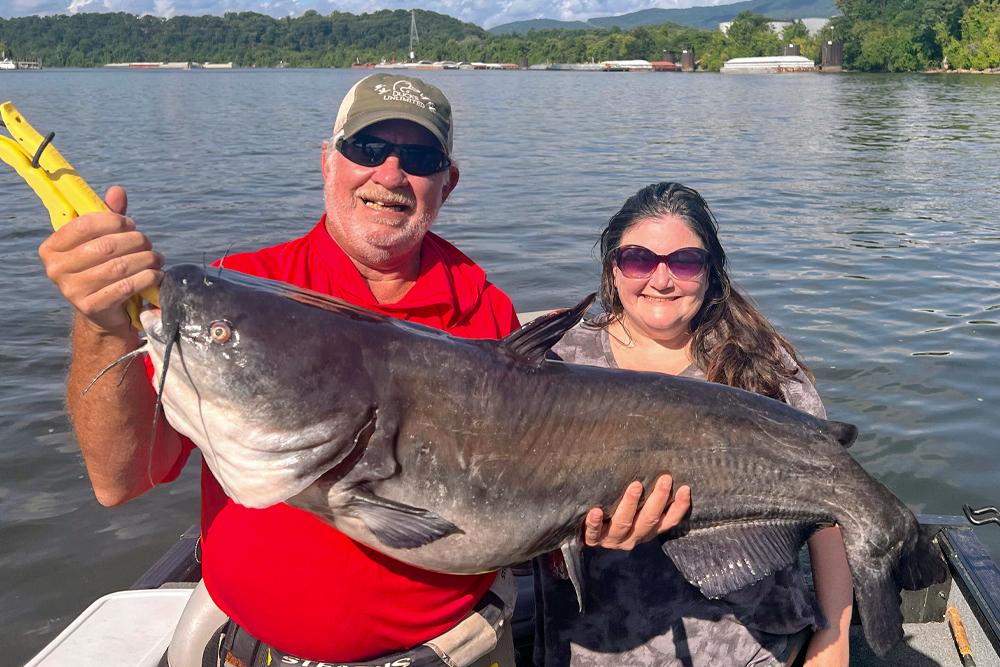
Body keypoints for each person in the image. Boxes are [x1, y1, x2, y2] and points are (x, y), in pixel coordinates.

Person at [36, 74, 690, 667]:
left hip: (453, 650)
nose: (390, 172)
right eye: (367, 146)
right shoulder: (247, 287)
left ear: (447, 182)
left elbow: (517, 499)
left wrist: (596, 520)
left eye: (421, 158)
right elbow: (121, 479)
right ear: (329, 160)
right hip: (256, 652)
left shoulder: (482, 307)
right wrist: (103, 323)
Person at [533, 182, 854, 667]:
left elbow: (828, 511)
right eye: (639, 258)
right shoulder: (557, 360)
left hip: (750, 647)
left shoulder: (760, 363)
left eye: (684, 262)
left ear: (710, 273)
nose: (661, 280)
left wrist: (833, 641)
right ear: (612, 268)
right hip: (595, 648)